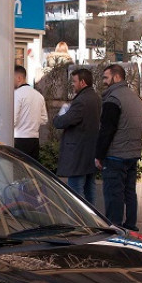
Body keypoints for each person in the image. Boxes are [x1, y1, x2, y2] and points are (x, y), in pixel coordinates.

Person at [95, 64, 142, 230]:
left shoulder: (113, 99)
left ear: (116, 77)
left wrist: (99, 155)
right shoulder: (134, 98)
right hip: (132, 154)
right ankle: (131, 226)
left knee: (114, 195)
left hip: (116, 155)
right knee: (130, 193)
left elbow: (107, 130)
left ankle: (115, 228)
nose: (104, 81)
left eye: (106, 77)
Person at [53, 67, 101, 204]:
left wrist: (60, 114)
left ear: (83, 82)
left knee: (75, 192)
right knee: (89, 188)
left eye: (74, 81)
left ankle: (79, 221)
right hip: (90, 151)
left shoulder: (81, 101)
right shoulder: (95, 97)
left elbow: (63, 121)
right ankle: (93, 219)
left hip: (78, 153)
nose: (72, 84)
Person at [12, 65, 48, 159]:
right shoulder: (39, 95)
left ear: (19, 78)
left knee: (18, 171)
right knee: (31, 171)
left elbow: (13, 121)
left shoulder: (17, 94)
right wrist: (32, 121)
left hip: (19, 139)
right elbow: (44, 119)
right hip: (34, 140)